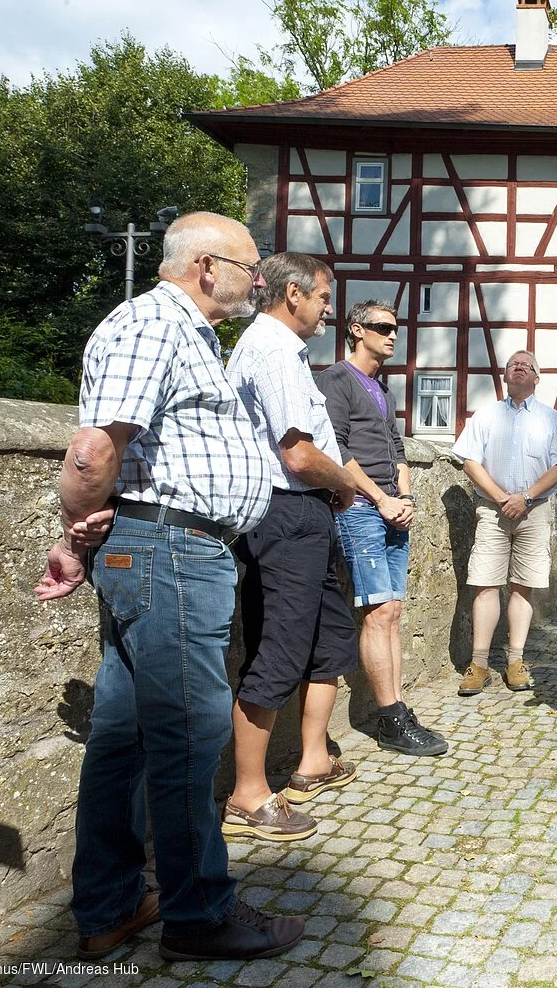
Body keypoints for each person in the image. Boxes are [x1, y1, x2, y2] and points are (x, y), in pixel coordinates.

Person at [34, 211, 305, 961]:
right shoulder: (154, 324)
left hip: (164, 549)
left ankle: (113, 904)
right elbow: (93, 449)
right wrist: (70, 534)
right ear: (206, 266)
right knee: (190, 733)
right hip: (171, 551)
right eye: (252, 267)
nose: (260, 281)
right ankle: (198, 914)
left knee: (123, 736)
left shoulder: (182, 332)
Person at [223, 252, 371, 844]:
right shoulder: (275, 347)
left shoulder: (282, 347)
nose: (328, 308)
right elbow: (298, 455)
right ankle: (248, 794)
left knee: (329, 635)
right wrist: (344, 485)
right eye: (324, 297)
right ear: (293, 293)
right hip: (285, 514)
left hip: (304, 515)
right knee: (280, 649)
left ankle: (312, 760)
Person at [316, 300, 448, 756]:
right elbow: (336, 449)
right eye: (382, 327)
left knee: (391, 612)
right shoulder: (337, 380)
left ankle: (397, 710)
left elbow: (398, 449)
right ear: (357, 330)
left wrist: (406, 497)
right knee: (377, 611)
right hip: (359, 509)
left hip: (393, 508)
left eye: (395, 328)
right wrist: (381, 498)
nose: (392, 335)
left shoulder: (381, 389)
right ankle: (390, 717)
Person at [450, 350, 557, 695]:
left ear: (537, 378)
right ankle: (479, 664)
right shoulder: (487, 415)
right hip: (492, 510)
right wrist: (502, 497)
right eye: (513, 365)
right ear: (505, 376)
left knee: (524, 585)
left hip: (534, 511)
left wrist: (526, 497)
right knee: (484, 583)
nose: (519, 368)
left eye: (527, 365)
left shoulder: (552, 419)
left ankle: (515, 661)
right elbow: (469, 460)